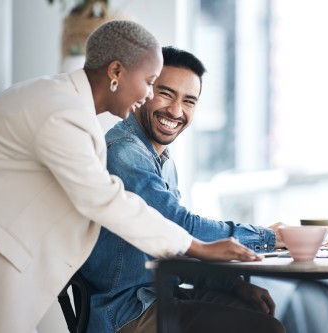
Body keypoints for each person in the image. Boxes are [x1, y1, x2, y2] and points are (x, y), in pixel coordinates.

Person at [0, 21, 260, 333]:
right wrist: (196, 245)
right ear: (117, 72)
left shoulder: (69, 104)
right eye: (152, 81)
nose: (151, 94)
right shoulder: (63, 111)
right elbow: (103, 199)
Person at [80, 46, 286, 333]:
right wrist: (268, 237)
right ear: (143, 91)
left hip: (160, 294)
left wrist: (233, 285)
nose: (176, 111)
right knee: (264, 329)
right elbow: (182, 227)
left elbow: (174, 248)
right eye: (166, 94)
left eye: (189, 101)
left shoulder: (160, 159)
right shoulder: (125, 154)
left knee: (257, 311)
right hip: (126, 309)